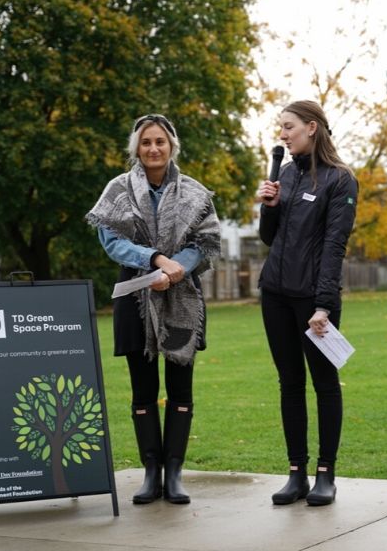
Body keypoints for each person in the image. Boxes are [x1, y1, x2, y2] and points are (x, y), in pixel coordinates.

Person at [86, 114, 221, 505]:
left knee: (180, 388)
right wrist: (157, 260)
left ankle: (174, 473)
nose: (153, 148)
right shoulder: (118, 190)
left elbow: (206, 242)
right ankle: (151, 473)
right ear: (136, 148)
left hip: (182, 297)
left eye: (160, 141)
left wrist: (178, 268)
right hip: (135, 297)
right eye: (146, 142)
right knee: (143, 388)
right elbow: (111, 242)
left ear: (172, 145)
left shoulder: (196, 193)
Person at [255, 100, 357, 507]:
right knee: (289, 383)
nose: (282, 134)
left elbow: (335, 246)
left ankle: (325, 475)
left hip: (314, 302)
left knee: (325, 384)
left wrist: (324, 306)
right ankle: (296, 473)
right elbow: (269, 238)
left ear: (312, 128)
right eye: (281, 128)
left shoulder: (340, 180)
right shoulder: (284, 174)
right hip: (275, 294)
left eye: (288, 127)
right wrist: (269, 206)